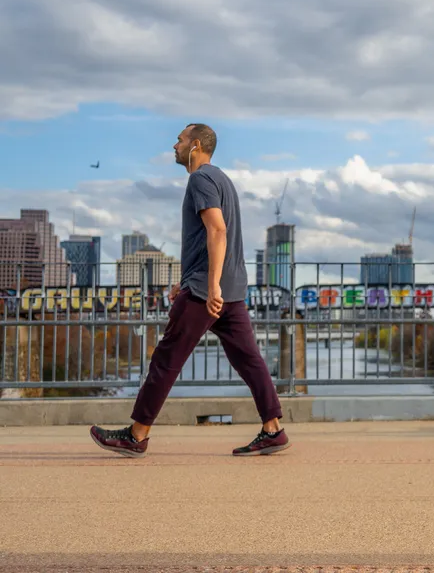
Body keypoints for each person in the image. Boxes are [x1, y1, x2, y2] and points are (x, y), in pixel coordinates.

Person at [90, 123, 291, 458]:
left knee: (166, 359)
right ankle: (273, 429)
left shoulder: (200, 179)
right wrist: (190, 281)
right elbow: (206, 239)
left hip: (206, 291)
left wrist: (208, 286)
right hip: (231, 289)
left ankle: (137, 435)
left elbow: (217, 230)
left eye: (180, 140)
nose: (174, 145)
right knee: (249, 359)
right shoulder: (223, 179)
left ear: (195, 145)